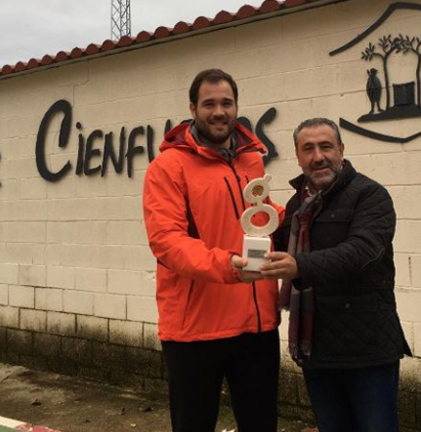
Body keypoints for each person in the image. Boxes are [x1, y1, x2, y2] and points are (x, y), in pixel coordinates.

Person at [142, 69, 283, 432]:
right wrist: (228, 265)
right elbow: (167, 242)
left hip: (256, 323)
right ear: (192, 108)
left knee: (261, 425)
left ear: (236, 106)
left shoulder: (250, 159)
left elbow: (261, 215)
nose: (219, 111)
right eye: (209, 104)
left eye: (226, 103)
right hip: (195, 331)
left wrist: (308, 213)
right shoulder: (168, 167)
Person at [262, 118, 411, 432]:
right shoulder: (295, 205)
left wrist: (299, 267)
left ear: (341, 150)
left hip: (367, 349)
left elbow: (361, 251)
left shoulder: (370, 196)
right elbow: (273, 247)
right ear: (298, 156)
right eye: (308, 149)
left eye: (326, 146)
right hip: (317, 349)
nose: (318, 156)